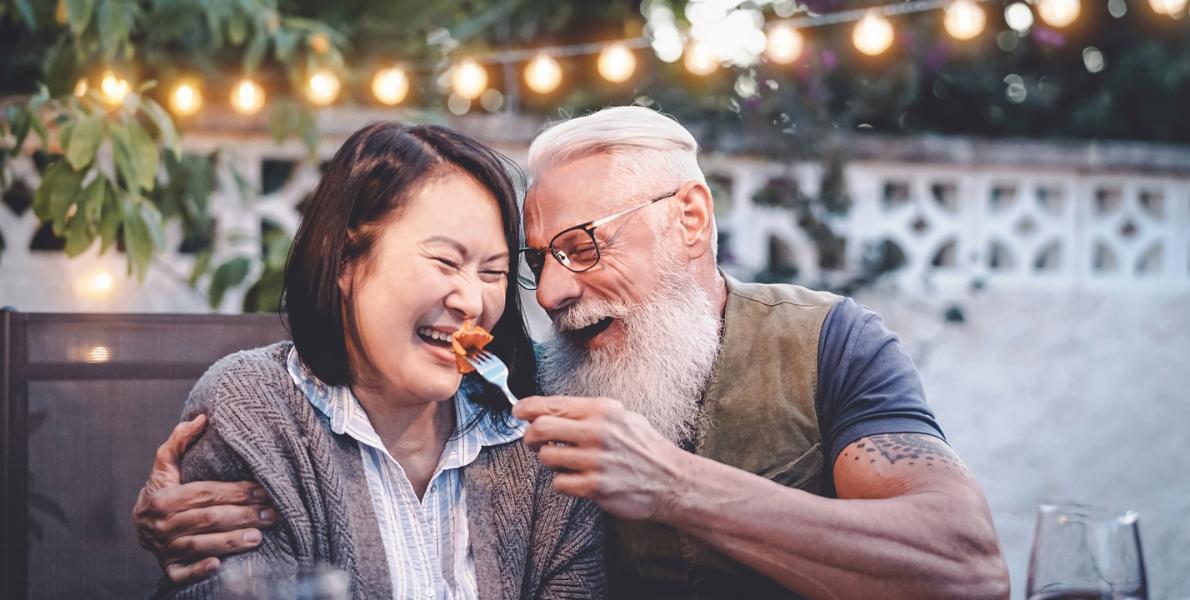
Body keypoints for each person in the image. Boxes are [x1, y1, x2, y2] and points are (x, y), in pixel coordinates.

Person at [135, 108, 1008, 599]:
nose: (546, 294)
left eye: (582, 245)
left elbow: (967, 567)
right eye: (540, 261)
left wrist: (673, 485)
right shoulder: (531, 396)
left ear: (691, 221)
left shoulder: (829, 343)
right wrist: (176, 538)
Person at [138, 122, 605, 599]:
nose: (472, 300)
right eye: (445, 262)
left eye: (493, 272)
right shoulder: (255, 412)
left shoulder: (537, 441)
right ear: (345, 258)